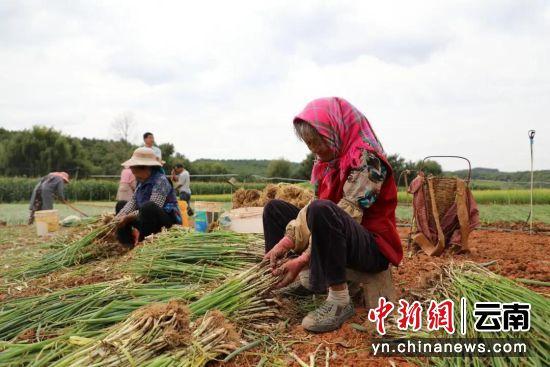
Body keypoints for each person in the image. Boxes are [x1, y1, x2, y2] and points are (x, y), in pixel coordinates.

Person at [263, 97, 402, 333]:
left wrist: (302, 258)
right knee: (274, 209)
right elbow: (311, 212)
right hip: (341, 234)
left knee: (323, 211)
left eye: (318, 142)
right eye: (309, 144)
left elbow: (343, 214)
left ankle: (339, 300)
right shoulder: (327, 163)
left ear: (336, 131)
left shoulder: (369, 162)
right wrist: (283, 244)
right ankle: (301, 280)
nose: (315, 149)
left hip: (372, 246)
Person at [115, 147, 181, 247]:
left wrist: (128, 217)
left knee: (148, 207)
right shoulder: (141, 181)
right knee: (121, 205)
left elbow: (154, 206)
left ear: (146, 168)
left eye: (136, 173)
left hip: (166, 221)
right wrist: (119, 217)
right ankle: (126, 244)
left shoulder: (161, 181)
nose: (135, 177)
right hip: (146, 219)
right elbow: (133, 202)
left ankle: (143, 244)